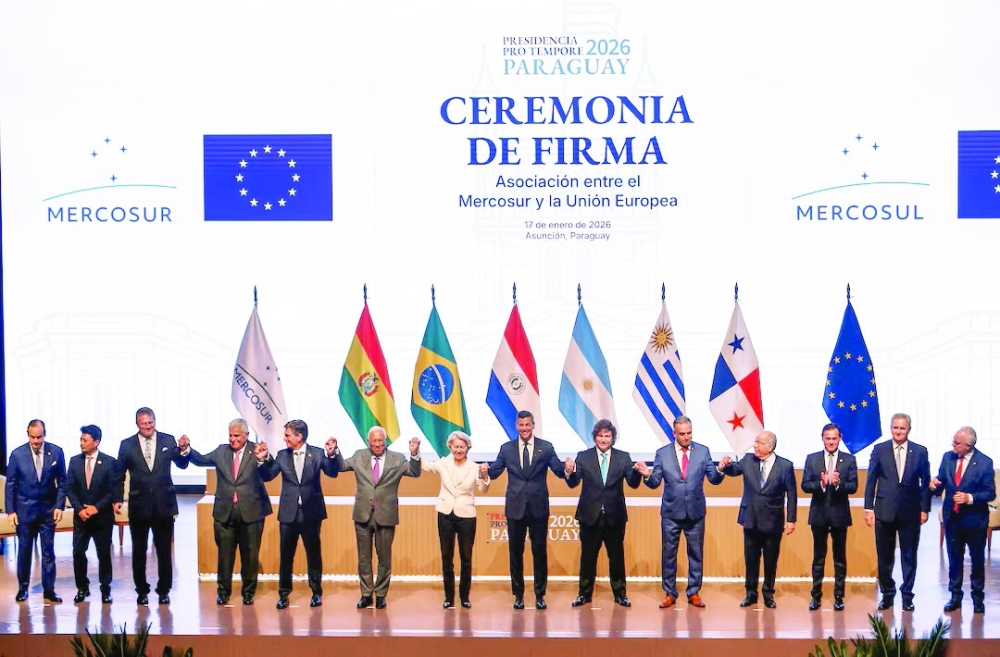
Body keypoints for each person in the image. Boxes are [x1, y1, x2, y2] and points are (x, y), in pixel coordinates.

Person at [635, 415, 725, 609]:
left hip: (695, 512)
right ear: (674, 433)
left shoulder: (703, 451)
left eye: (689, 433)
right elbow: (655, 482)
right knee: (669, 554)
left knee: (696, 554)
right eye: (682, 434)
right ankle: (670, 593)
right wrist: (647, 474)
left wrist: (720, 469)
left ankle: (693, 592)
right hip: (671, 513)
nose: (686, 437)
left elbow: (713, 478)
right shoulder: (662, 453)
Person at [485, 409, 569, 610]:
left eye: (527, 425)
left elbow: (559, 471)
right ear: (516, 426)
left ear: (533, 425)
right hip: (515, 509)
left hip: (538, 509)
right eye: (521, 425)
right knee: (515, 553)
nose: (524, 428)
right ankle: (518, 595)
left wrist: (568, 468)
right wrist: (484, 470)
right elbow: (494, 472)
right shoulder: (506, 449)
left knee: (539, 553)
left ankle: (540, 595)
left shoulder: (546, 447)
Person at [330, 426, 421, 610]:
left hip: (386, 515)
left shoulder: (397, 459)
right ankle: (366, 594)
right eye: (374, 441)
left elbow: (414, 472)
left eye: (381, 440)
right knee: (364, 558)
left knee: (384, 559)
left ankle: (380, 595)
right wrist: (334, 452)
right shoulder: (359, 456)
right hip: (362, 515)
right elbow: (341, 466)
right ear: (368, 442)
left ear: (385, 441)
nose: (378, 444)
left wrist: (414, 454)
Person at [183, 419, 273, 606]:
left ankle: (248, 592)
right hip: (225, 514)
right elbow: (201, 460)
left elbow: (268, 475)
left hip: (251, 513)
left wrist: (262, 459)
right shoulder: (221, 451)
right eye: (230, 435)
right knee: (225, 556)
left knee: (250, 556)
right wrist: (186, 450)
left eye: (237, 436)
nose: (233, 439)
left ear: (246, 435)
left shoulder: (257, 450)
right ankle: (223, 592)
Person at [257, 419, 340, 610]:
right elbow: (268, 476)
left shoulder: (317, 454)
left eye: (287, 435)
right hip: (288, 514)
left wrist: (331, 455)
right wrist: (262, 460)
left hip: (311, 513)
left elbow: (332, 472)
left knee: (313, 554)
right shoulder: (282, 455)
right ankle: (284, 594)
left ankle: (316, 592)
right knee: (286, 556)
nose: (284, 438)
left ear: (299, 436)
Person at [114, 407, 190, 606]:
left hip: (163, 505)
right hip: (139, 506)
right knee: (139, 551)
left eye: (150, 422)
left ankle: (164, 590)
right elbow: (118, 475)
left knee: (164, 551)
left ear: (155, 421)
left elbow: (182, 464)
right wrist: (117, 499)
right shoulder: (127, 445)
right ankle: (141, 591)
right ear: (137, 424)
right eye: (144, 424)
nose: (148, 427)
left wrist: (183, 450)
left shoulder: (168, 440)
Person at [565, 419, 641, 607]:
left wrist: (639, 472)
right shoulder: (583, 457)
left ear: (612, 438)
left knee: (616, 557)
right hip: (589, 516)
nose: (604, 439)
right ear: (595, 437)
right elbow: (573, 483)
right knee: (588, 557)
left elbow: (633, 483)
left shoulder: (623, 457)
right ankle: (584, 594)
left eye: (607, 436)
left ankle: (620, 594)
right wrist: (569, 472)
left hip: (615, 516)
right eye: (600, 436)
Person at [719, 430, 797, 608]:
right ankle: (751, 594)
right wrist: (725, 465)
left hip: (773, 521)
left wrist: (791, 520)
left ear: (769, 447)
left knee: (770, 560)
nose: (755, 445)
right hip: (751, 519)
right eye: (755, 442)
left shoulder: (785, 465)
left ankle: (768, 594)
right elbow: (733, 470)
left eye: (759, 443)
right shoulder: (748, 460)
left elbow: (792, 494)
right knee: (751, 559)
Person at [863, 412, 931, 612]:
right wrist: (868, 508)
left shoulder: (920, 451)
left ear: (909, 429)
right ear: (891, 428)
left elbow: (926, 482)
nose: (898, 431)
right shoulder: (880, 449)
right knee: (885, 556)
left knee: (909, 556)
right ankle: (887, 594)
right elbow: (871, 480)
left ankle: (907, 595)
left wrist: (925, 508)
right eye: (895, 427)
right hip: (884, 511)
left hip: (910, 512)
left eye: (902, 428)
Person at [929, 426, 995, 614]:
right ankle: (955, 597)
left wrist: (969, 498)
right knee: (954, 561)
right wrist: (934, 485)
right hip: (953, 519)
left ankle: (977, 598)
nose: (953, 445)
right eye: (953, 441)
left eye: (957, 443)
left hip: (974, 520)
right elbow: (941, 481)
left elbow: (990, 493)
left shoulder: (984, 462)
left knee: (976, 561)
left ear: (969, 445)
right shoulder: (947, 458)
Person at [420, 431, 489, 608]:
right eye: (456, 446)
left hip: (466, 516)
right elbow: (425, 465)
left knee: (466, 558)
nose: (459, 450)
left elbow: (483, 489)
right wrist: (415, 452)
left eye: (462, 447)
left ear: (467, 448)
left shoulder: (474, 467)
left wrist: (484, 476)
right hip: (445, 514)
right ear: (450, 447)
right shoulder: (443, 463)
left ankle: (464, 597)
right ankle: (449, 597)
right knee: (447, 558)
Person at [5, 419, 67, 603]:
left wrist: (59, 506)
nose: (36, 441)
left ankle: (49, 590)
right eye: (32, 437)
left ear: (44, 435)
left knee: (48, 552)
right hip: (24, 512)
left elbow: (63, 482)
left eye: (39, 437)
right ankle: (23, 588)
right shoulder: (17, 455)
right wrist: (11, 511)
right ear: (28, 435)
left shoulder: (56, 452)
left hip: (48, 511)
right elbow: (11, 484)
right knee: (25, 551)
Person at [801, 423, 857, 611]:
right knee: (819, 557)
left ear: (840, 438)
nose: (831, 442)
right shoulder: (812, 459)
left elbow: (854, 487)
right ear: (822, 438)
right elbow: (805, 485)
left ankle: (839, 597)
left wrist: (839, 484)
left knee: (839, 559)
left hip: (840, 516)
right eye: (828, 438)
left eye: (834, 438)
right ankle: (815, 596)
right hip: (819, 515)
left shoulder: (849, 460)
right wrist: (822, 483)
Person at [65, 425, 120, 604]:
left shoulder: (109, 462)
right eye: (81, 439)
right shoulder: (74, 461)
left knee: (103, 553)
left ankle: (105, 588)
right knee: (78, 552)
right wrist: (79, 509)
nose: (81, 443)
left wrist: (96, 507)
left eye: (85, 440)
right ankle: (82, 588)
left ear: (96, 442)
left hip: (101, 517)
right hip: (81, 517)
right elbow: (70, 488)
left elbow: (113, 490)